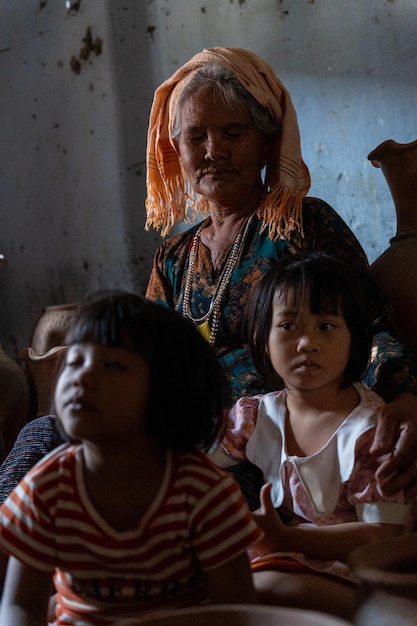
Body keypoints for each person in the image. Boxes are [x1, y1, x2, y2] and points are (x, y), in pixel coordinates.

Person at [144, 46, 417, 502]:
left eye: (233, 132)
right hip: (178, 434)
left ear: (267, 142)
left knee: (184, 501)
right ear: (178, 149)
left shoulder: (303, 226)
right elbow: (143, 359)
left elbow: (370, 327)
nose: (214, 152)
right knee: (47, 438)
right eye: (197, 137)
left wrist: (404, 395)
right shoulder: (173, 257)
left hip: (266, 445)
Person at [0, 293, 262, 626]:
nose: (82, 377)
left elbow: (237, 612)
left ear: (167, 392)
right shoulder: (47, 486)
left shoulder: (203, 493)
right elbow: (21, 605)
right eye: (76, 361)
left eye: (113, 365)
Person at [211, 252, 413, 619]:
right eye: (288, 326)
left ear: (355, 339)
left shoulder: (369, 430)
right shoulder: (255, 416)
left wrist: (285, 538)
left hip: (360, 571)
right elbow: (193, 463)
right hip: (288, 556)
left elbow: (379, 537)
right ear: (261, 336)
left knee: (261, 591)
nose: (306, 343)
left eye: (326, 326)